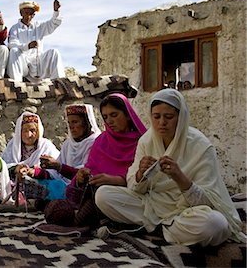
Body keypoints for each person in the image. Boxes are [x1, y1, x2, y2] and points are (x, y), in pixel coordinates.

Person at [95, 89, 244, 246]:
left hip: (186, 210)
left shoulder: (200, 146)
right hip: (152, 204)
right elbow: (134, 188)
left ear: (181, 117)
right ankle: (166, 228)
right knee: (103, 195)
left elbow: (208, 202)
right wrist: (140, 174)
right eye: (156, 117)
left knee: (215, 225)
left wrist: (179, 177)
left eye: (169, 117)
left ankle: (157, 228)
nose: (161, 123)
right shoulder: (146, 141)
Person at [45, 94, 147, 227]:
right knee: (96, 192)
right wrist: (81, 177)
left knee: (103, 195)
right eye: (105, 117)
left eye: (114, 115)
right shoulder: (101, 142)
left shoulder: (143, 142)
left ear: (127, 115)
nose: (109, 121)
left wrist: (116, 181)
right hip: (97, 195)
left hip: (128, 197)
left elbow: (145, 181)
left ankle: (81, 221)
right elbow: (91, 169)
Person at [1, 112, 60, 202]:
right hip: (15, 182)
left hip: (39, 183)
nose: (29, 135)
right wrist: (16, 168)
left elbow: (55, 172)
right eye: (25, 131)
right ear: (19, 132)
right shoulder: (12, 146)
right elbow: (3, 168)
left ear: (39, 131)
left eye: (32, 130)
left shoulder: (46, 146)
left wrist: (34, 172)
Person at [7, 0, 65, 83]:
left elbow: (53, 24)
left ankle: (60, 85)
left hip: (38, 64)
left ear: (34, 15)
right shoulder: (15, 28)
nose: (28, 16)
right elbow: (12, 44)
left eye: (31, 14)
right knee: (14, 51)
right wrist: (27, 46)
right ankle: (17, 85)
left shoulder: (39, 26)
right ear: (21, 13)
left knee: (54, 52)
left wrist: (56, 11)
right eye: (26, 13)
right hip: (23, 65)